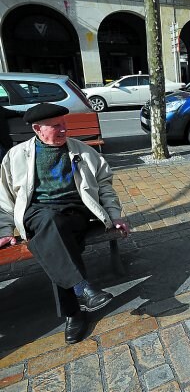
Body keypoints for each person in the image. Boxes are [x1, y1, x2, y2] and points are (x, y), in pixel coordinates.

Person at [0, 103, 130, 344]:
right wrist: (4, 231)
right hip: (37, 214)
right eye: (56, 126)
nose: (63, 130)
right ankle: (82, 289)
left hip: (75, 213)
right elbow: (4, 197)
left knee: (53, 238)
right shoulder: (16, 156)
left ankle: (74, 313)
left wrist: (115, 216)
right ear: (38, 129)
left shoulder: (84, 152)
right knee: (50, 225)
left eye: (64, 124)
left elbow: (104, 186)